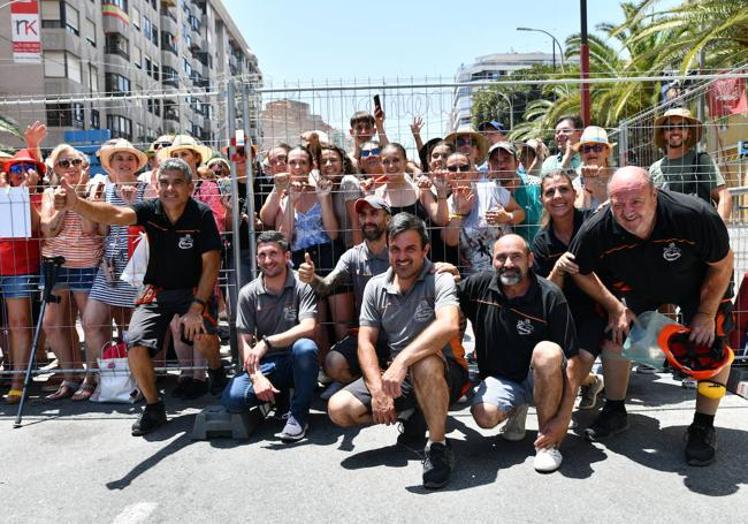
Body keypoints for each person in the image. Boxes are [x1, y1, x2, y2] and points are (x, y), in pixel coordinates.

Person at [569, 166, 734, 466]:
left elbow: (723, 264)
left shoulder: (693, 214)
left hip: (699, 283)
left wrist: (707, 313)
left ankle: (703, 426)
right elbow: (579, 270)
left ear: (654, 195)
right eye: (618, 204)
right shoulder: (598, 228)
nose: (627, 212)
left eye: (636, 202)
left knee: (711, 346)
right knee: (616, 333)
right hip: (637, 285)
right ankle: (615, 409)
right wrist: (615, 306)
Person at [53, 158, 228, 436]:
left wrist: (196, 307)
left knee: (202, 333)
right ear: (157, 186)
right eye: (165, 182)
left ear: (190, 187)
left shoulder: (202, 215)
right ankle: (154, 407)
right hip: (156, 291)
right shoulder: (150, 209)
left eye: (178, 182)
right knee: (134, 343)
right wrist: (76, 203)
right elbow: (115, 215)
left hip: (193, 291)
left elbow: (211, 264)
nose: (170, 188)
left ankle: (217, 372)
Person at [327, 213, 468, 490]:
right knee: (339, 409)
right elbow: (365, 342)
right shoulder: (375, 286)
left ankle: (438, 447)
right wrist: (378, 390)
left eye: (410, 249)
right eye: (395, 249)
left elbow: (449, 324)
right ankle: (413, 414)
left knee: (424, 362)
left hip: (445, 371)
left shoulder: (439, 278)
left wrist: (402, 359)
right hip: (398, 375)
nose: (402, 256)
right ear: (388, 248)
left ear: (425, 250)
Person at [458, 234, 581, 472]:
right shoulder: (478, 286)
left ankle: (548, 445)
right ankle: (516, 409)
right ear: (492, 261)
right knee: (484, 416)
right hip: (503, 378)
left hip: (543, 377)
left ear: (530, 259)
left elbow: (573, 360)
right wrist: (439, 272)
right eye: (501, 257)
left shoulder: (550, 295)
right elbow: (445, 302)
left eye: (516, 257)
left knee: (547, 353)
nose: (508, 264)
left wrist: (563, 418)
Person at [221, 231, 319, 441]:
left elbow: (309, 326)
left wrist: (267, 342)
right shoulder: (247, 293)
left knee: (306, 348)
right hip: (269, 363)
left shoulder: (302, 287)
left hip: (296, 359)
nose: (267, 260)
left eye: (273, 253)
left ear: (287, 256)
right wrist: (256, 377)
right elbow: (244, 343)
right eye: (262, 255)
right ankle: (279, 396)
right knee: (233, 400)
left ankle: (299, 416)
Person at [298, 196, 391, 391]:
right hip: (367, 333)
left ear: (388, 219)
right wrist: (312, 277)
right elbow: (326, 286)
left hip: (401, 333)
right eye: (363, 215)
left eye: (374, 213)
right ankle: (372, 386)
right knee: (332, 363)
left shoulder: (399, 251)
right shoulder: (352, 256)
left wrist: (444, 269)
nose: (368, 220)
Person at [79, 140, 149, 400]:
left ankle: (139, 380)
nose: (124, 162)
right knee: (91, 321)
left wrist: (132, 205)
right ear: (110, 164)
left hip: (138, 264)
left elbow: (152, 226)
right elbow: (94, 231)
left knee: (135, 328)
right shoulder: (103, 189)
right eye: (118, 158)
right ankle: (103, 377)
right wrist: (90, 202)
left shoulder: (146, 188)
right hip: (110, 264)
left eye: (129, 158)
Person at [531, 169, 605, 410]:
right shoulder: (541, 241)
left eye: (563, 189)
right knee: (555, 367)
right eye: (549, 192)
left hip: (597, 309)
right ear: (542, 199)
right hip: (563, 313)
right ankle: (592, 381)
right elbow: (546, 292)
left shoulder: (592, 223)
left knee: (571, 369)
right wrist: (559, 269)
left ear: (574, 194)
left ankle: (559, 419)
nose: (557, 196)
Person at [40, 144, 105, 400]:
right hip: (54, 264)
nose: (70, 168)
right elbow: (49, 229)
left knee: (90, 324)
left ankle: (92, 377)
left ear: (84, 166)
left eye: (75, 162)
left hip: (86, 263)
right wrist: (62, 204)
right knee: (51, 324)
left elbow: (90, 229)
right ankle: (70, 376)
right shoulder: (48, 194)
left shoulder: (94, 188)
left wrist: (75, 199)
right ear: (54, 169)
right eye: (63, 163)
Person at [0, 149, 45, 403]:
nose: (21, 174)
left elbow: (38, 226)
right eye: (15, 169)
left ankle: (18, 381)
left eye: (28, 169)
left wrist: (26, 194)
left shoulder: (40, 198)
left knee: (19, 323)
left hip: (20, 269)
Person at [442, 152, 524, 274]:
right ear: (446, 173)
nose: (458, 172)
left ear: (471, 170)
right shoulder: (447, 205)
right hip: (476, 277)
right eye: (453, 168)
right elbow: (451, 241)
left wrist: (507, 217)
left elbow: (520, 213)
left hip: (509, 267)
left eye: (464, 167)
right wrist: (458, 212)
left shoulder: (491, 189)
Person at [649, 107, 731, 221]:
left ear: (689, 134)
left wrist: (719, 232)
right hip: (667, 235)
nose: (676, 131)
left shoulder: (700, 161)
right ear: (663, 134)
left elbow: (724, 196)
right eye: (670, 127)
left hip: (698, 233)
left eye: (681, 126)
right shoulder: (654, 169)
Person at [487, 142, 543, 244]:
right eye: (495, 161)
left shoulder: (537, 186)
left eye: (506, 159)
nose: (501, 165)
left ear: (517, 164)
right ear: (489, 166)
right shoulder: (487, 193)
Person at [573, 126, 615, 210]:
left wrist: (596, 188)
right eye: (586, 149)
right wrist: (587, 189)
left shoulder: (620, 177)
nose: (591, 153)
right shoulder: (575, 185)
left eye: (597, 148)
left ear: (607, 152)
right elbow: (581, 215)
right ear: (581, 154)